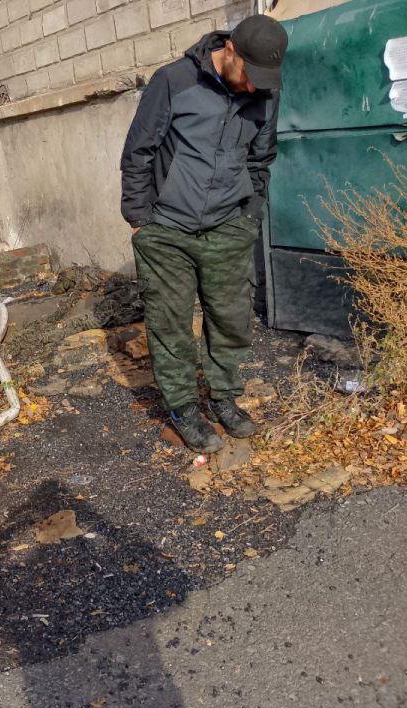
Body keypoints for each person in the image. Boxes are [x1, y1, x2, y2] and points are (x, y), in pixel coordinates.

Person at [119, 15, 289, 453]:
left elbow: (260, 160)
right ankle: (183, 410)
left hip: (228, 227)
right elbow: (139, 150)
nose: (255, 87)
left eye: (265, 80)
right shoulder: (174, 81)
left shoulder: (265, 93)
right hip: (167, 231)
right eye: (250, 75)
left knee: (230, 319)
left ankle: (224, 399)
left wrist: (249, 218)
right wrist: (140, 218)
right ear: (229, 50)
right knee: (170, 324)